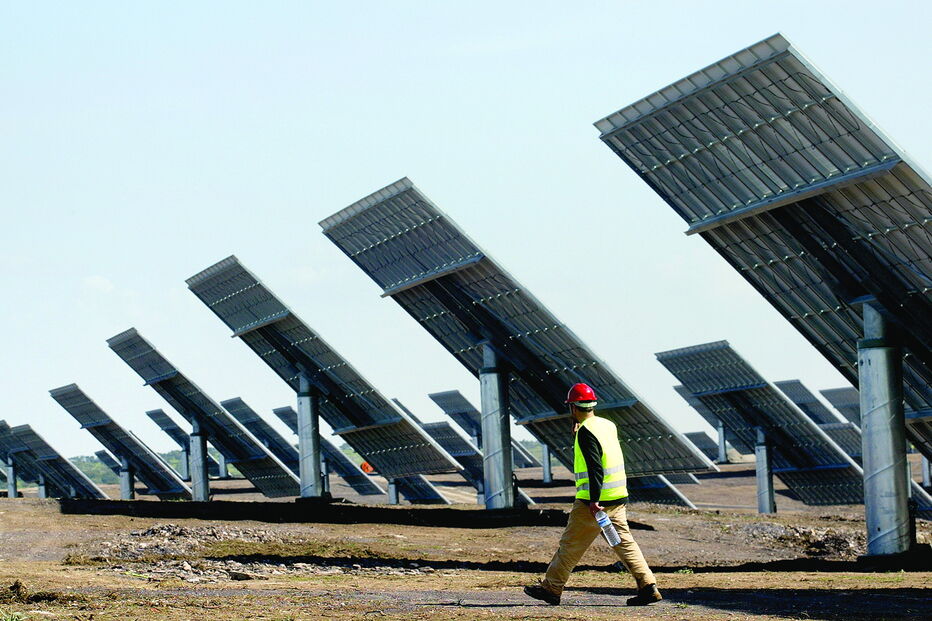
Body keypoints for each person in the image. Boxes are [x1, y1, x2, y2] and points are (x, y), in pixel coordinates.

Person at [524, 383, 662, 606]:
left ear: (573, 408)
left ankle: (551, 588)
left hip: (593, 503)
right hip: (617, 497)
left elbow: (596, 468)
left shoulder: (586, 432)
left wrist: (594, 501)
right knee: (624, 543)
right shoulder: (606, 425)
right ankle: (648, 586)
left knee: (570, 545)